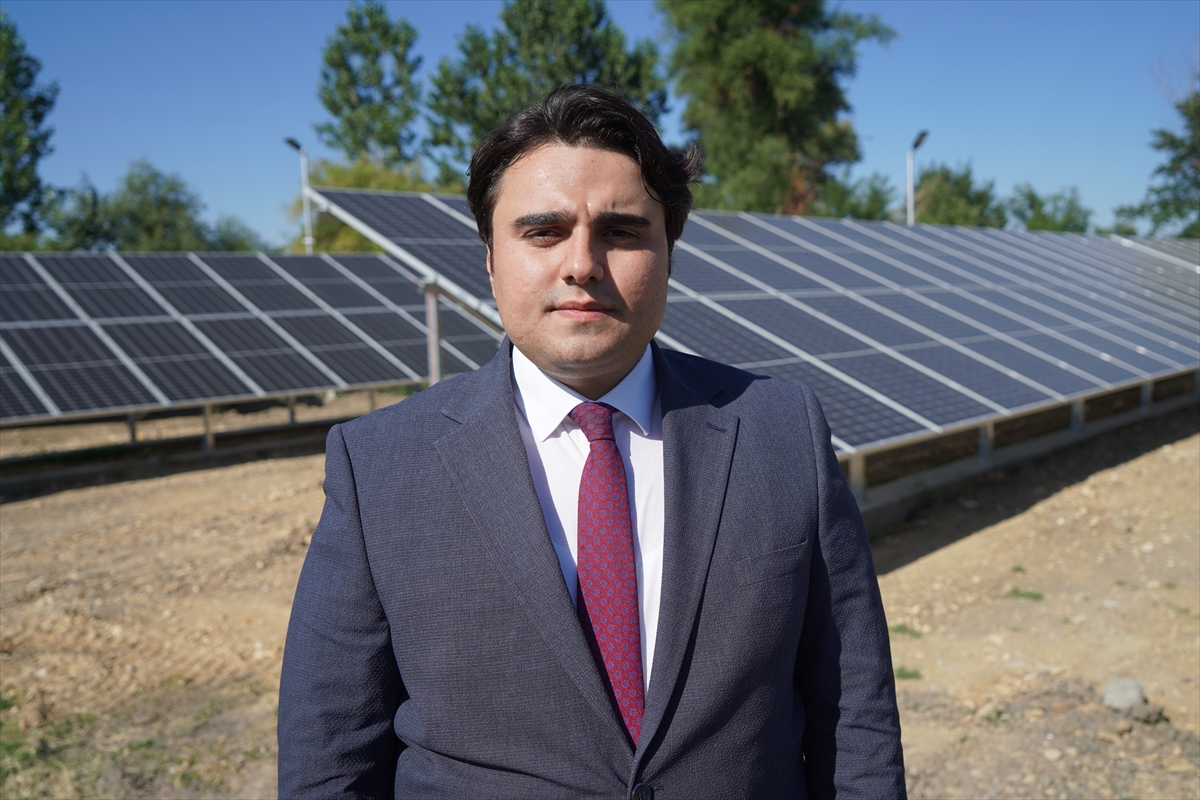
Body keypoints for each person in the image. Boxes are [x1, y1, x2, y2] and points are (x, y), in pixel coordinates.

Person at [278, 85, 905, 799]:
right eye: (543, 232)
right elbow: (330, 758)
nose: (582, 263)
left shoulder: (781, 430)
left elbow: (854, 716)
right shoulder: (380, 465)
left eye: (622, 231)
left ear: (668, 250)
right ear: (490, 259)